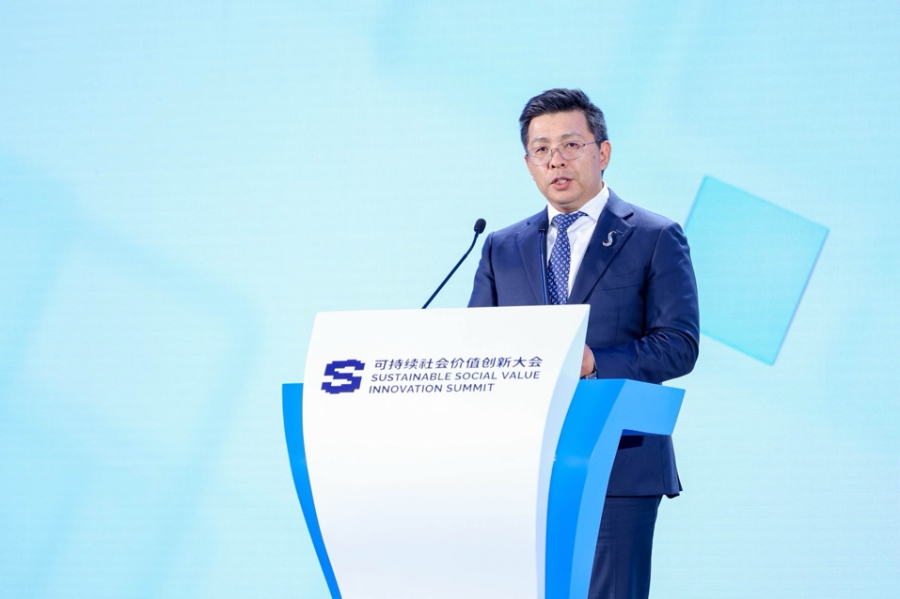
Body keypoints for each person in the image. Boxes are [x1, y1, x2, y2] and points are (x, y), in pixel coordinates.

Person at [468, 88, 700, 599]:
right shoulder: (501, 247)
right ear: (528, 163)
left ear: (603, 152)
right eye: (542, 149)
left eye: (571, 145)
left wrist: (595, 362)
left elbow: (679, 344)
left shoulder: (655, 236)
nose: (556, 160)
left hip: (616, 462)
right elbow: (476, 348)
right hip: (518, 467)